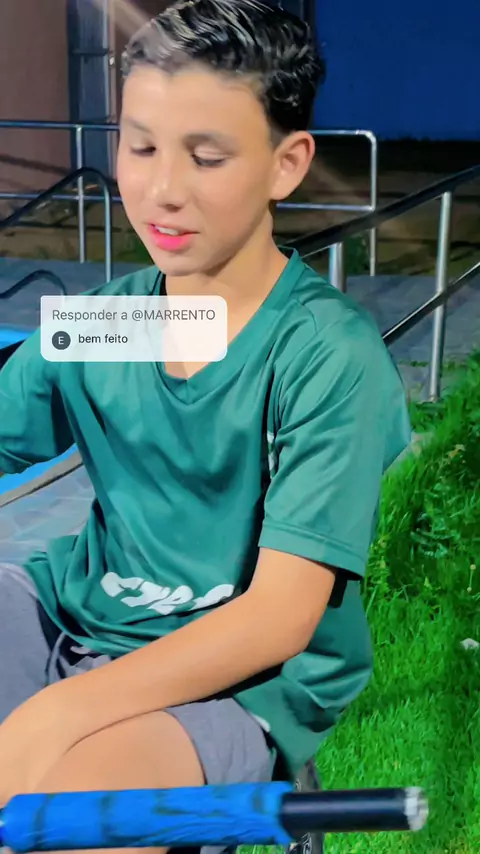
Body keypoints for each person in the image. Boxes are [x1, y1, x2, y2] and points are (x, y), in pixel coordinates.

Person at [0, 1, 411, 851]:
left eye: (207, 156)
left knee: (77, 817)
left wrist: (55, 715)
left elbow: (277, 620)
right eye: (140, 146)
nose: (163, 190)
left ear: (287, 164)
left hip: (238, 677)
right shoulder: (116, 321)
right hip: (73, 611)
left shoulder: (325, 354)